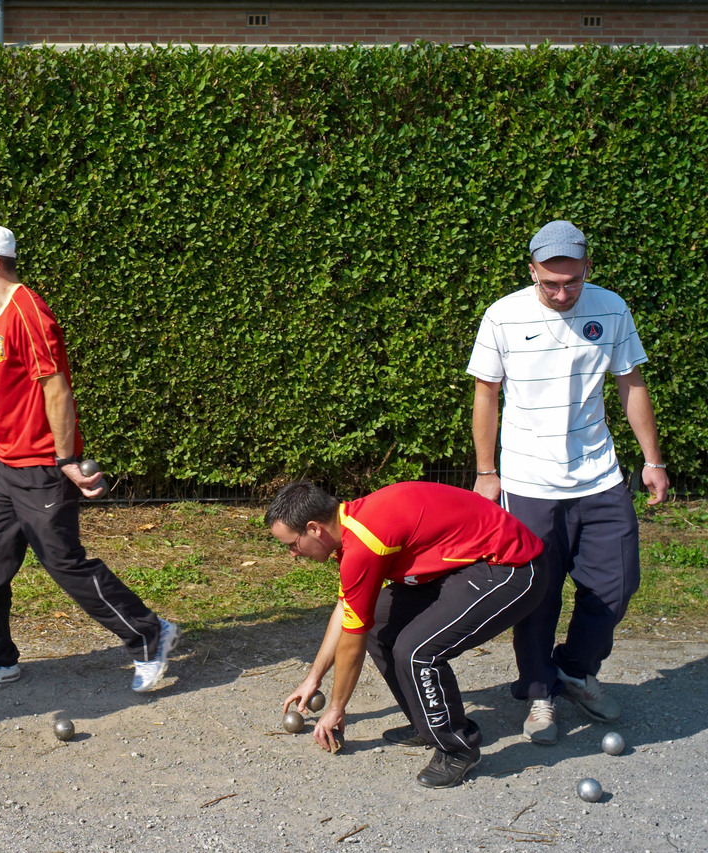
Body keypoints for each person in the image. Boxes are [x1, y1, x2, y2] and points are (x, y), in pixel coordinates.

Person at [0, 224, 179, 692]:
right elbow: (4, 396)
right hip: (5, 467)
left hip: (40, 467)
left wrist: (67, 458)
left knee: (64, 562)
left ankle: (150, 634)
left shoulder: (29, 312)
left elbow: (57, 389)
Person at [467, 220, 669, 746]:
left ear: (587, 270)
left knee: (617, 583)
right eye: (550, 283)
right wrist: (487, 473)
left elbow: (631, 382)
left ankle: (575, 670)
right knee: (537, 591)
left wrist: (653, 459)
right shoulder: (503, 316)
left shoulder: (611, 307)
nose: (561, 294)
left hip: (598, 474)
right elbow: (486, 395)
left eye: (572, 282)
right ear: (531, 270)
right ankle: (538, 692)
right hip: (529, 480)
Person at [270, 480, 545, 788]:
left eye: (292, 544)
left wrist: (336, 709)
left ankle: (458, 748)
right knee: (378, 624)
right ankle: (426, 723)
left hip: (510, 567)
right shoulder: (353, 527)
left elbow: (351, 643)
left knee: (417, 651)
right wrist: (313, 678)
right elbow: (347, 608)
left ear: (314, 528)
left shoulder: (365, 542)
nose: (293, 554)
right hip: (460, 567)